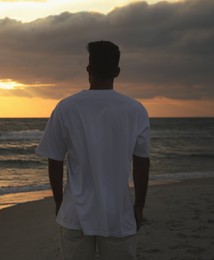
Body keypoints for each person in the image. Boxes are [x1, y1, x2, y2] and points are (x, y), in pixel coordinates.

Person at [36, 40, 150, 260]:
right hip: (118, 212)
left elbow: (55, 159)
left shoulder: (66, 107)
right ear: (117, 71)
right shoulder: (135, 110)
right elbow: (142, 162)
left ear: (88, 70)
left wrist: (59, 202)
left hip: (75, 212)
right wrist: (139, 206)